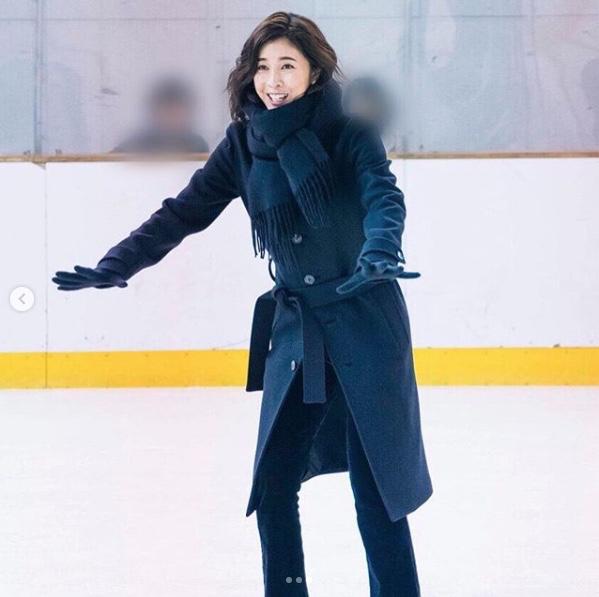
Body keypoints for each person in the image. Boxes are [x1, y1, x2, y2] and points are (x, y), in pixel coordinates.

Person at [52, 11, 433, 597]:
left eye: (288, 66)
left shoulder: (350, 133)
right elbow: (183, 212)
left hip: (364, 321)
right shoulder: (243, 145)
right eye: (263, 67)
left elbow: (384, 195)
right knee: (274, 486)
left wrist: (381, 248)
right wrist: (118, 264)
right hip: (300, 330)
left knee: (377, 493)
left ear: (315, 72)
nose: (273, 81)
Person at [111, 75, 209, 154]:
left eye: (178, 111)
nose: (172, 118)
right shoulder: (139, 142)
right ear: (155, 112)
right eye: (168, 111)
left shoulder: (197, 144)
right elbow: (109, 162)